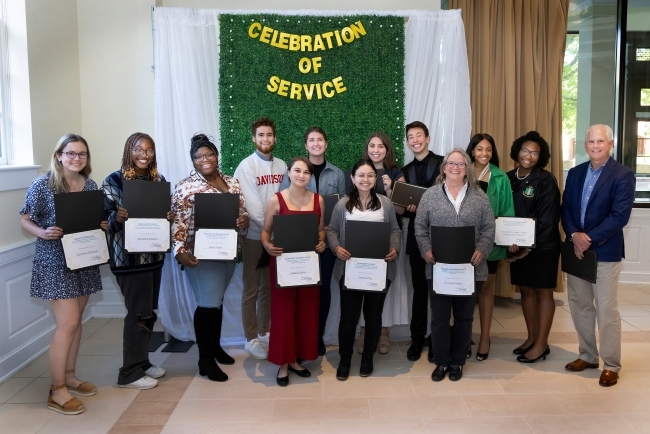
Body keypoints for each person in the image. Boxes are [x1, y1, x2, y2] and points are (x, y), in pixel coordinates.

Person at [20, 134, 106, 415]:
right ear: (59, 155)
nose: (76, 158)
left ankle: (69, 376)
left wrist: (101, 224)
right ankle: (56, 390)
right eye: (70, 153)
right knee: (67, 324)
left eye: (82, 154)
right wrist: (43, 232)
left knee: (76, 321)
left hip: (83, 258)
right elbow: (25, 218)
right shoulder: (42, 185)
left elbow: (91, 218)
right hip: (54, 261)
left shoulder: (90, 185)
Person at [561, 124, 635, 387]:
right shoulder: (576, 173)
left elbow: (620, 216)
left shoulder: (622, 175)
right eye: (590, 142)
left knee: (606, 309)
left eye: (600, 141)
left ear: (610, 143)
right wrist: (574, 236)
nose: (595, 146)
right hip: (577, 251)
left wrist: (587, 238)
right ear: (585, 145)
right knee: (580, 304)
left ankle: (611, 364)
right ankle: (588, 355)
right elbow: (566, 208)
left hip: (604, 251)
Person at [171, 134, 249, 382]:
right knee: (207, 304)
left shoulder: (232, 183)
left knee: (216, 302)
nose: (204, 160)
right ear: (193, 161)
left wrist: (244, 220)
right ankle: (205, 361)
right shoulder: (185, 186)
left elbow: (241, 214)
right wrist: (179, 251)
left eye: (209, 154)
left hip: (227, 252)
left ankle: (214, 348)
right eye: (198, 156)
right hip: (199, 255)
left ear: (216, 156)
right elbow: (178, 221)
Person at [415, 149, 495, 382]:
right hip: (439, 269)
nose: (455, 167)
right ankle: (441, 362)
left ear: (467, 168)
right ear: (444, 167)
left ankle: (457, 362)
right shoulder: (430, 195)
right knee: (439, 318)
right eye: (451, 163)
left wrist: (481, 249)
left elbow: (489, 228)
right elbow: (420, 227)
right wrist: (425, 249)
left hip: (469, 270)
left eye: (461, 164)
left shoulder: (479, 196)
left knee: (464, 318)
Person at [103, 132, 173, 389]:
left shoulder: (158, 180)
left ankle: (142, 362)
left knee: (147, 313)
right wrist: (117, 218)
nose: (145, 155)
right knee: (137, 314)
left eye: (150, 150)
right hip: (128, 261)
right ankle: (129, 373)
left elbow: (163, 216)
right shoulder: (113, 181)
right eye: (139, 149)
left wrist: (168, 215)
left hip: (153, 257)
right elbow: (104, 221)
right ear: (128, 151)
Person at [327, 159, 401, 380]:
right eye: (361, 175)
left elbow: (395, 230)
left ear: (375, 179)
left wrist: (394, 249)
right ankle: (345, 359)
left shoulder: (385, 203)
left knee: (373, 315)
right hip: (350, 270)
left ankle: (367, 356)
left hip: (378, 270)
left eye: (370, 175)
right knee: (348, 317)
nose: (365, 179)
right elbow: (331, 231)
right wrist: (336, 247)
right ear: (353, 178)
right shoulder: (343, 204)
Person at [279, 127, 345, 356]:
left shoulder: (337, 174)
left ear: (326, 144)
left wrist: (329, 230)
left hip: (324, 243)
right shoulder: (296, 172)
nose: (316, 143)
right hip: (297, 245)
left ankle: (317, 337)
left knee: (322, 290)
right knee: (300, 291)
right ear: (305, 145)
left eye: (320, 140)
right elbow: (281, 209)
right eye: (311, 140)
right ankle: (299, 339)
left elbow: (343, 207)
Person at [261, 156, 326, 386]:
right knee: (284, 313)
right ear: (288, 173)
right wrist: (268, 246)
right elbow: (266, 232)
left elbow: (320, 231)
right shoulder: (276, 200)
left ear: (310, 176)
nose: (301, 175)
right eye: (297, 171)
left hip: (308, 265)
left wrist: (322, 242)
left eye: (306, 172)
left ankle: (297, 359)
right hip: (283, 265)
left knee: (306, 312)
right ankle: (283, 364)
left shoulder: (318, 200)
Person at [505, 131, 561, 364]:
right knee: (525, 291)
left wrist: (528, 247)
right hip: (516, 247)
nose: (529, 156)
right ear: (517, 152)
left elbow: (549, 218)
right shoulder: (507, 178)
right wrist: (508, 243)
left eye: (535, 153)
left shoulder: (545, 180)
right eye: (525, 151)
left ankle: (541, 344)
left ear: (541, 157)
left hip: (543, 246)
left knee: (543, 292)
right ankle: (531, 338)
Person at [234, 117, 287, 360]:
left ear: (275, 138)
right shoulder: (246, 166)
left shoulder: (283, 166)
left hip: (278, 237)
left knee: (269, 287)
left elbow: (287, 199)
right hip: (256, 236)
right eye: (261, 135)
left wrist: (280, 233)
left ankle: (265, 332)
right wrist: (269, 233)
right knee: (252, 289)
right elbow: (254, 207)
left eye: (269, 135)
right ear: (254, 138)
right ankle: (251, 338)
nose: (265, 139)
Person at [465, 134, 515, 360]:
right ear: (472, 151)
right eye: (479, 149)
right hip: (463, 241)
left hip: (490, 243)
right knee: (464, 291)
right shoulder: (461, 171)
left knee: (486, 290)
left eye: (488, 149)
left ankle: (484, 338)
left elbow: (507, 211)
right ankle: (464, 336)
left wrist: (509, 238)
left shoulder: (500, 177)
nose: (484, 153)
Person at [358, 132, 407, 354]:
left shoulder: (397, 173)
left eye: (381, 146)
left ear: (387, 149)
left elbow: (401, 210)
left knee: (385, 285)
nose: (376, 150)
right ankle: (364, 330)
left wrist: (390, 190)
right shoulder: (361, 169)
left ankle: (384, 330)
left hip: (389, 237)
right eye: (372, 146)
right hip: (364, 237)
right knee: (363, 281)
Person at [401, 121, 444, 362]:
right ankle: (417, 339)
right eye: (410, 136)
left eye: (419, 135)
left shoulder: (443, 163)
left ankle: (438, 340)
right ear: (408, 142)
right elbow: (404, 209)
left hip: (441, 234)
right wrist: (409, 208)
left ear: (427, 138)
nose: (415, 139)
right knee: (419, 291)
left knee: (440, 290)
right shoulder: (404, 171)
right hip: (416, 236)